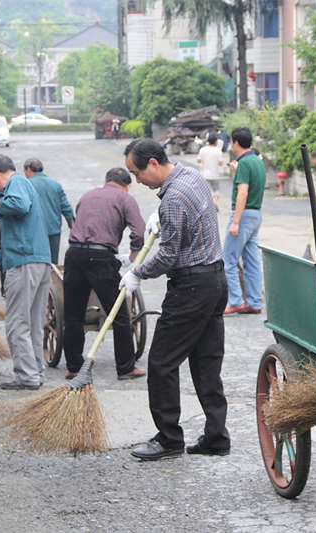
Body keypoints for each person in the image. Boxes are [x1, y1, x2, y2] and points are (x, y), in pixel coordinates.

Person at [121, 138, 230, 461]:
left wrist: (138, 272)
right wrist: (163, 218)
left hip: (192, 287)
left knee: (162, 361)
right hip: (215, 280)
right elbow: (183, 225)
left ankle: (169, 438)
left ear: (153, 163)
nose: (137, 179)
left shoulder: (174, 198)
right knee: (205, 361)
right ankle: (216, 436)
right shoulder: (190, 177)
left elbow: (168, 255)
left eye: (137, 172)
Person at [0, 154, 52, 391]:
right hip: (39, 261)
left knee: (18, 322)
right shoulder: (23, 185)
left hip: (24, 264)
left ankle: (26, 376)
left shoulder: (15, 184)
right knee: (34, 323)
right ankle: (36, 372)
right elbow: (20, 234)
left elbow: (18, 205)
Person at [63, 168, 147, 381]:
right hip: (100, 258)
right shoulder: (125, 198)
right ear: (127, 185)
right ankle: (126, 368)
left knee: (73, 315)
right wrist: (133, 256)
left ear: (105, 181)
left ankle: (73, 367)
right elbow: (138, 231)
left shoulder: (87, 195)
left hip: (73, 255)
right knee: (118, 314)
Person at [223, 127, 265, 315]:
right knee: (252, 261)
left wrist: (235, 222)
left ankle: (236, 300)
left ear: (235, 143)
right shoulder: (257, 161)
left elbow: (243, 193)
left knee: (228, 259)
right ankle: (254, 301)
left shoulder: (244, 164)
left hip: (243, 215)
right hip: (256, 214)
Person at [23, 158, 75, 264]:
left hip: (33, 231)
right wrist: (72, 225)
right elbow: (66, 207)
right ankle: (51, 280)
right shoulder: (55, 184)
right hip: (53, 230)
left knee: (35, 262)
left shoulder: (26, 185)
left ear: (28, 170)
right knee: (52, 262)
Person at [197, 132, 224, 207]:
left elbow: (198, 160)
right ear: (216, 142)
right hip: (215, 174)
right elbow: (221, 163)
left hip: (205, 174)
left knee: (207, 191)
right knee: (216, 190)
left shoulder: (203, 150)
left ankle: (208, 205)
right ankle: (214, 202)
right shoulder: (218, 151)